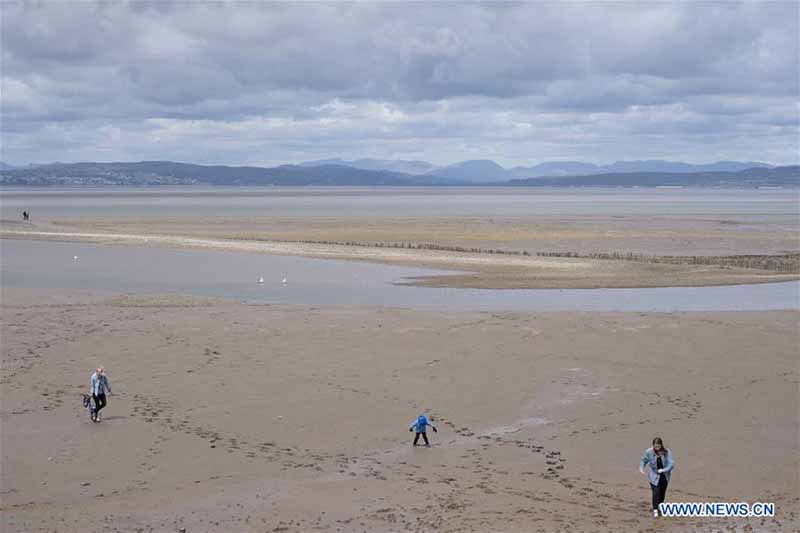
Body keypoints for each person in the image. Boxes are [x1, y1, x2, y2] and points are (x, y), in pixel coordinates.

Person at [639, 437, 674, 517]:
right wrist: (641, 468)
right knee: (656, 492)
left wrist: (664, 470)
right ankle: (655, 510)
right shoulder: (649, 452)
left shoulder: (667, 452)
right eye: (655, 446)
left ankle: (660, 506)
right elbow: (643, 460)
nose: (657, 448)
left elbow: (671, 464)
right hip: (653, 476)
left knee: (662, 493)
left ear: (661, 445)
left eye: (658, 446)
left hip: (664, 476)